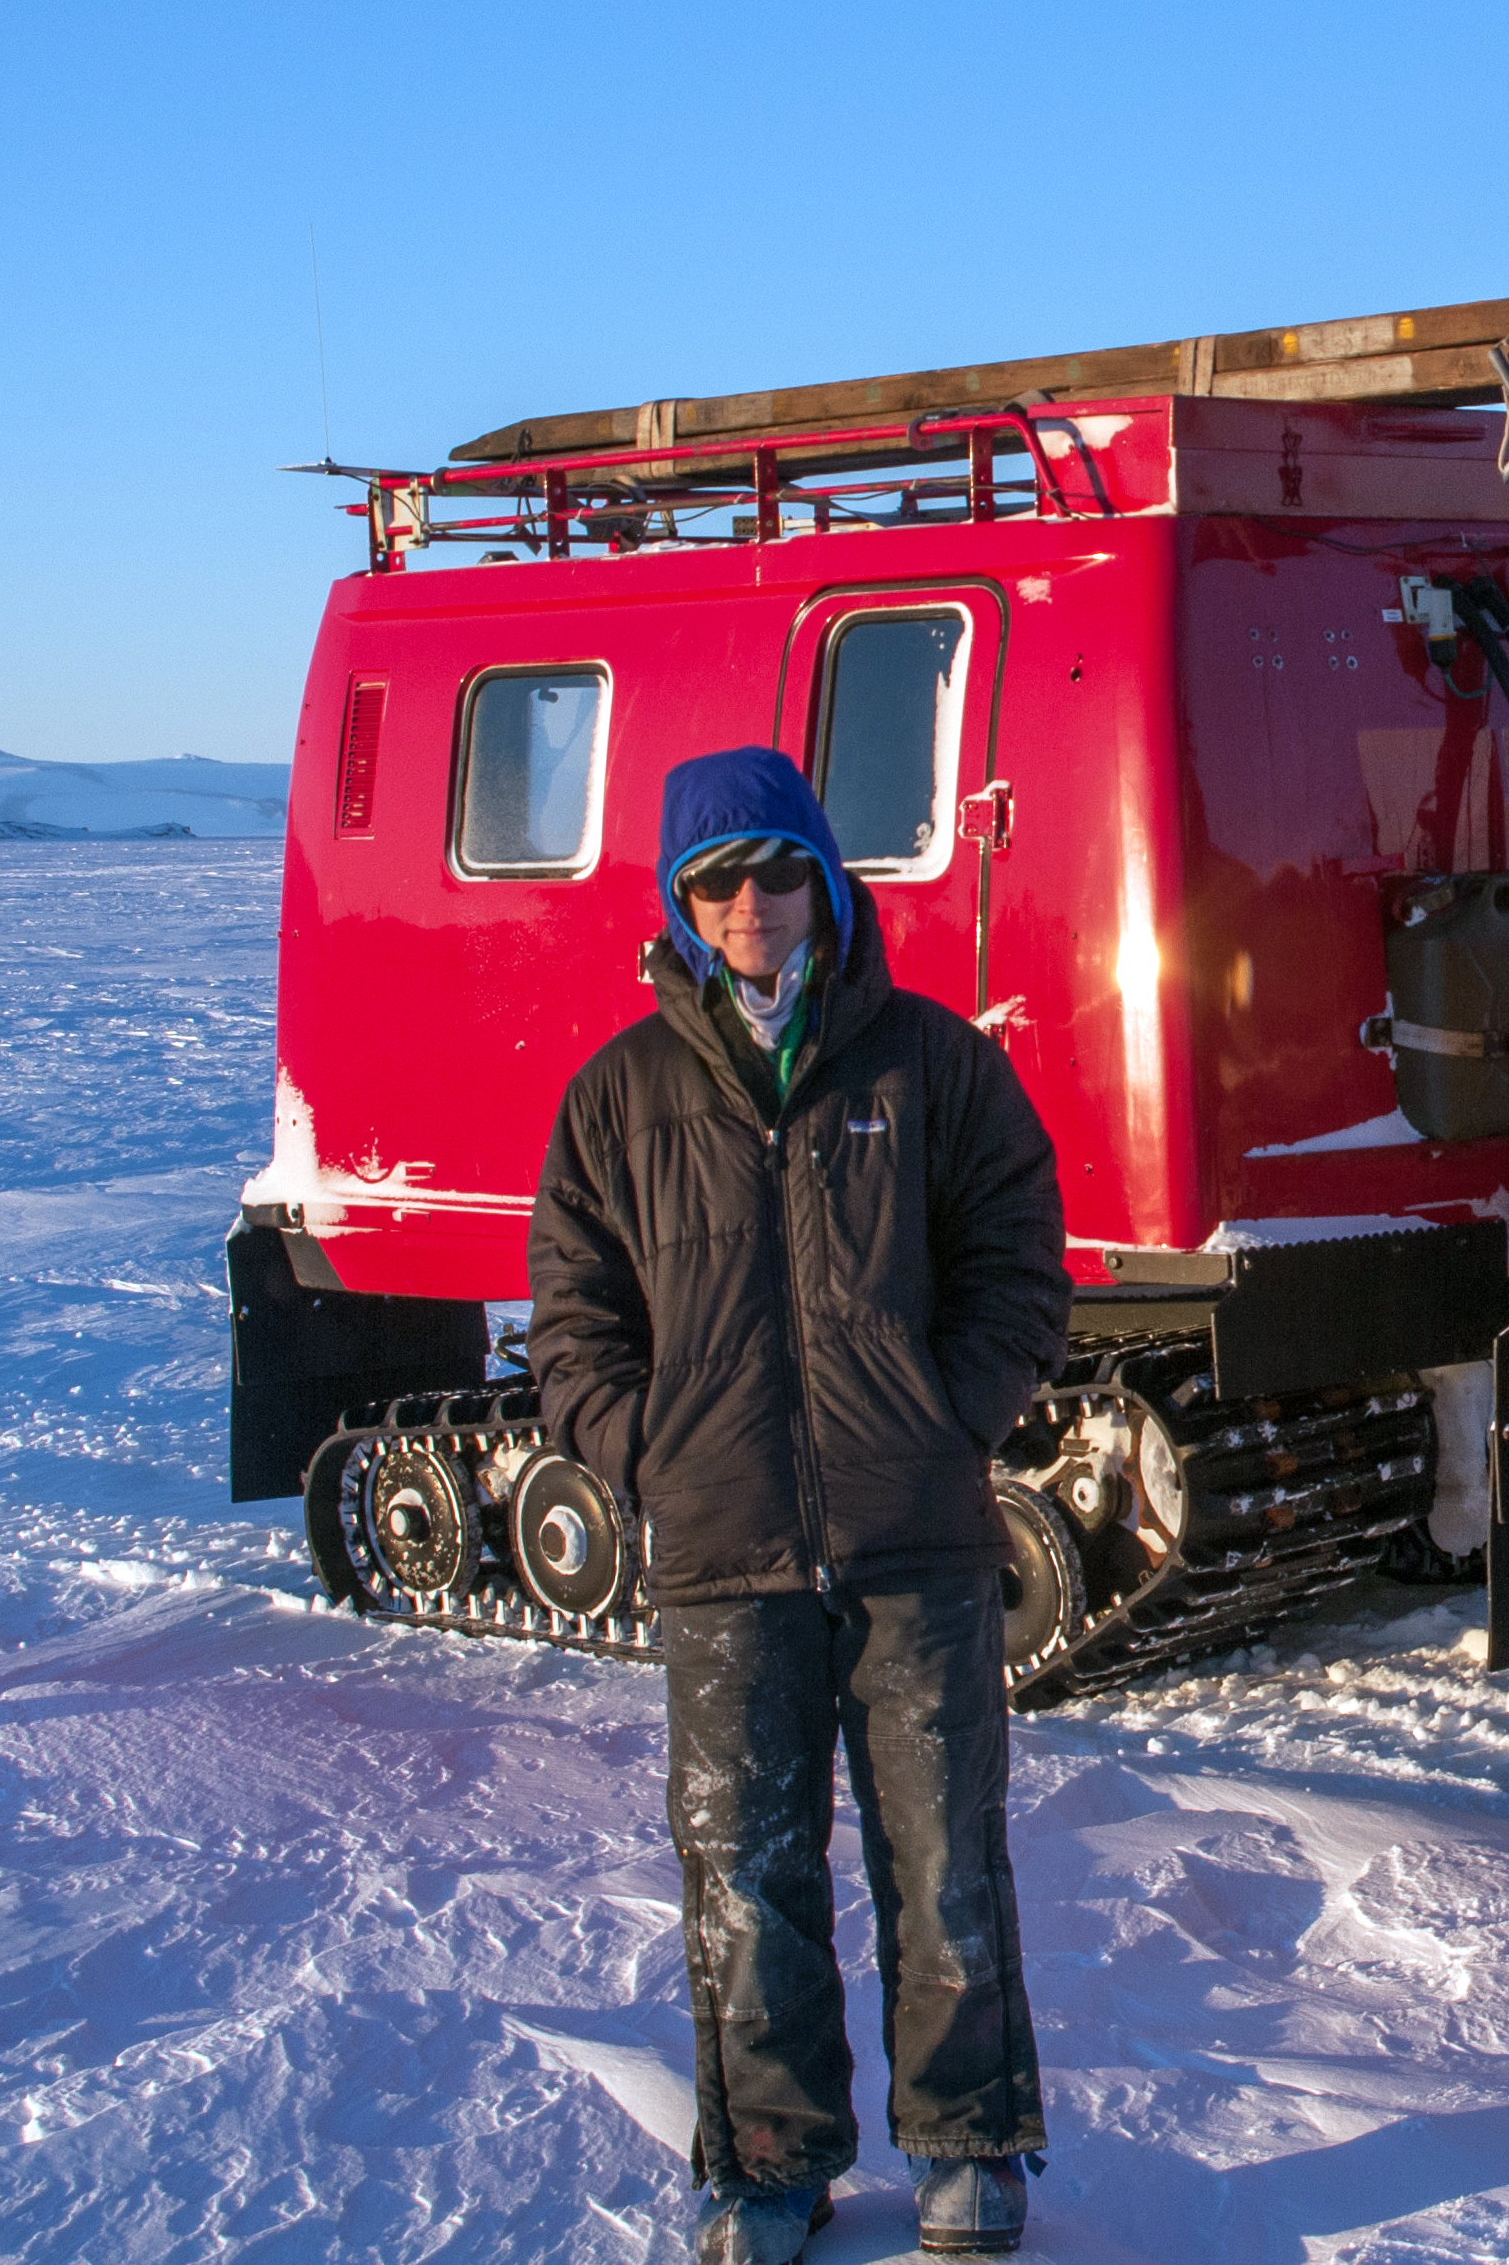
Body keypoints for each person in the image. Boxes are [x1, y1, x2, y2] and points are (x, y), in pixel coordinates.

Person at [525, 746, 1068, 2265]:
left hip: (914, 1536)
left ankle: (968, 2138)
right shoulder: (616, 1097)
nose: (752, 903)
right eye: (718, 880)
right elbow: (570, 1315)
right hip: (723, 1547)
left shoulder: (934, 1064)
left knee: (944, 1851)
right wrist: (645, 1445)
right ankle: (768, 2160)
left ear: (825, 879)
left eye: (778, 870)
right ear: (678, 905)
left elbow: (1023, 1262)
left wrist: (945, 1412)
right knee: (746, 1868)